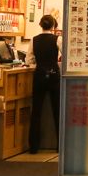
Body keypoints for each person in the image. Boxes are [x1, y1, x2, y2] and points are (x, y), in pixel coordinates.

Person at [29, 14, 60, 155]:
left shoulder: (34, 40)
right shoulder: (57, 39)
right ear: (53, 25)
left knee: (36, 111)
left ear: (40, 25)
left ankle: (34, 146)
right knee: (57, 110)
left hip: (39, 75)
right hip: (54, 75)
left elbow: (29, 59)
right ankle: (59, 144)